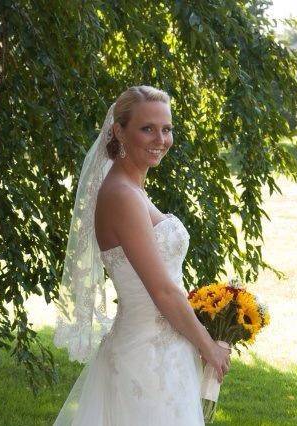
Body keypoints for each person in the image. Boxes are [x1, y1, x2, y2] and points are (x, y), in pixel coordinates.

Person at [52, 85, 231, 425]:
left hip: (162, 350)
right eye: (147, 128)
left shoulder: (132, 189)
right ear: (119, 131)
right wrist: (208, 346)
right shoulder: (121, 195)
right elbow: (162, 291)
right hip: (146, 360)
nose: (160, 139)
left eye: (167, 129)